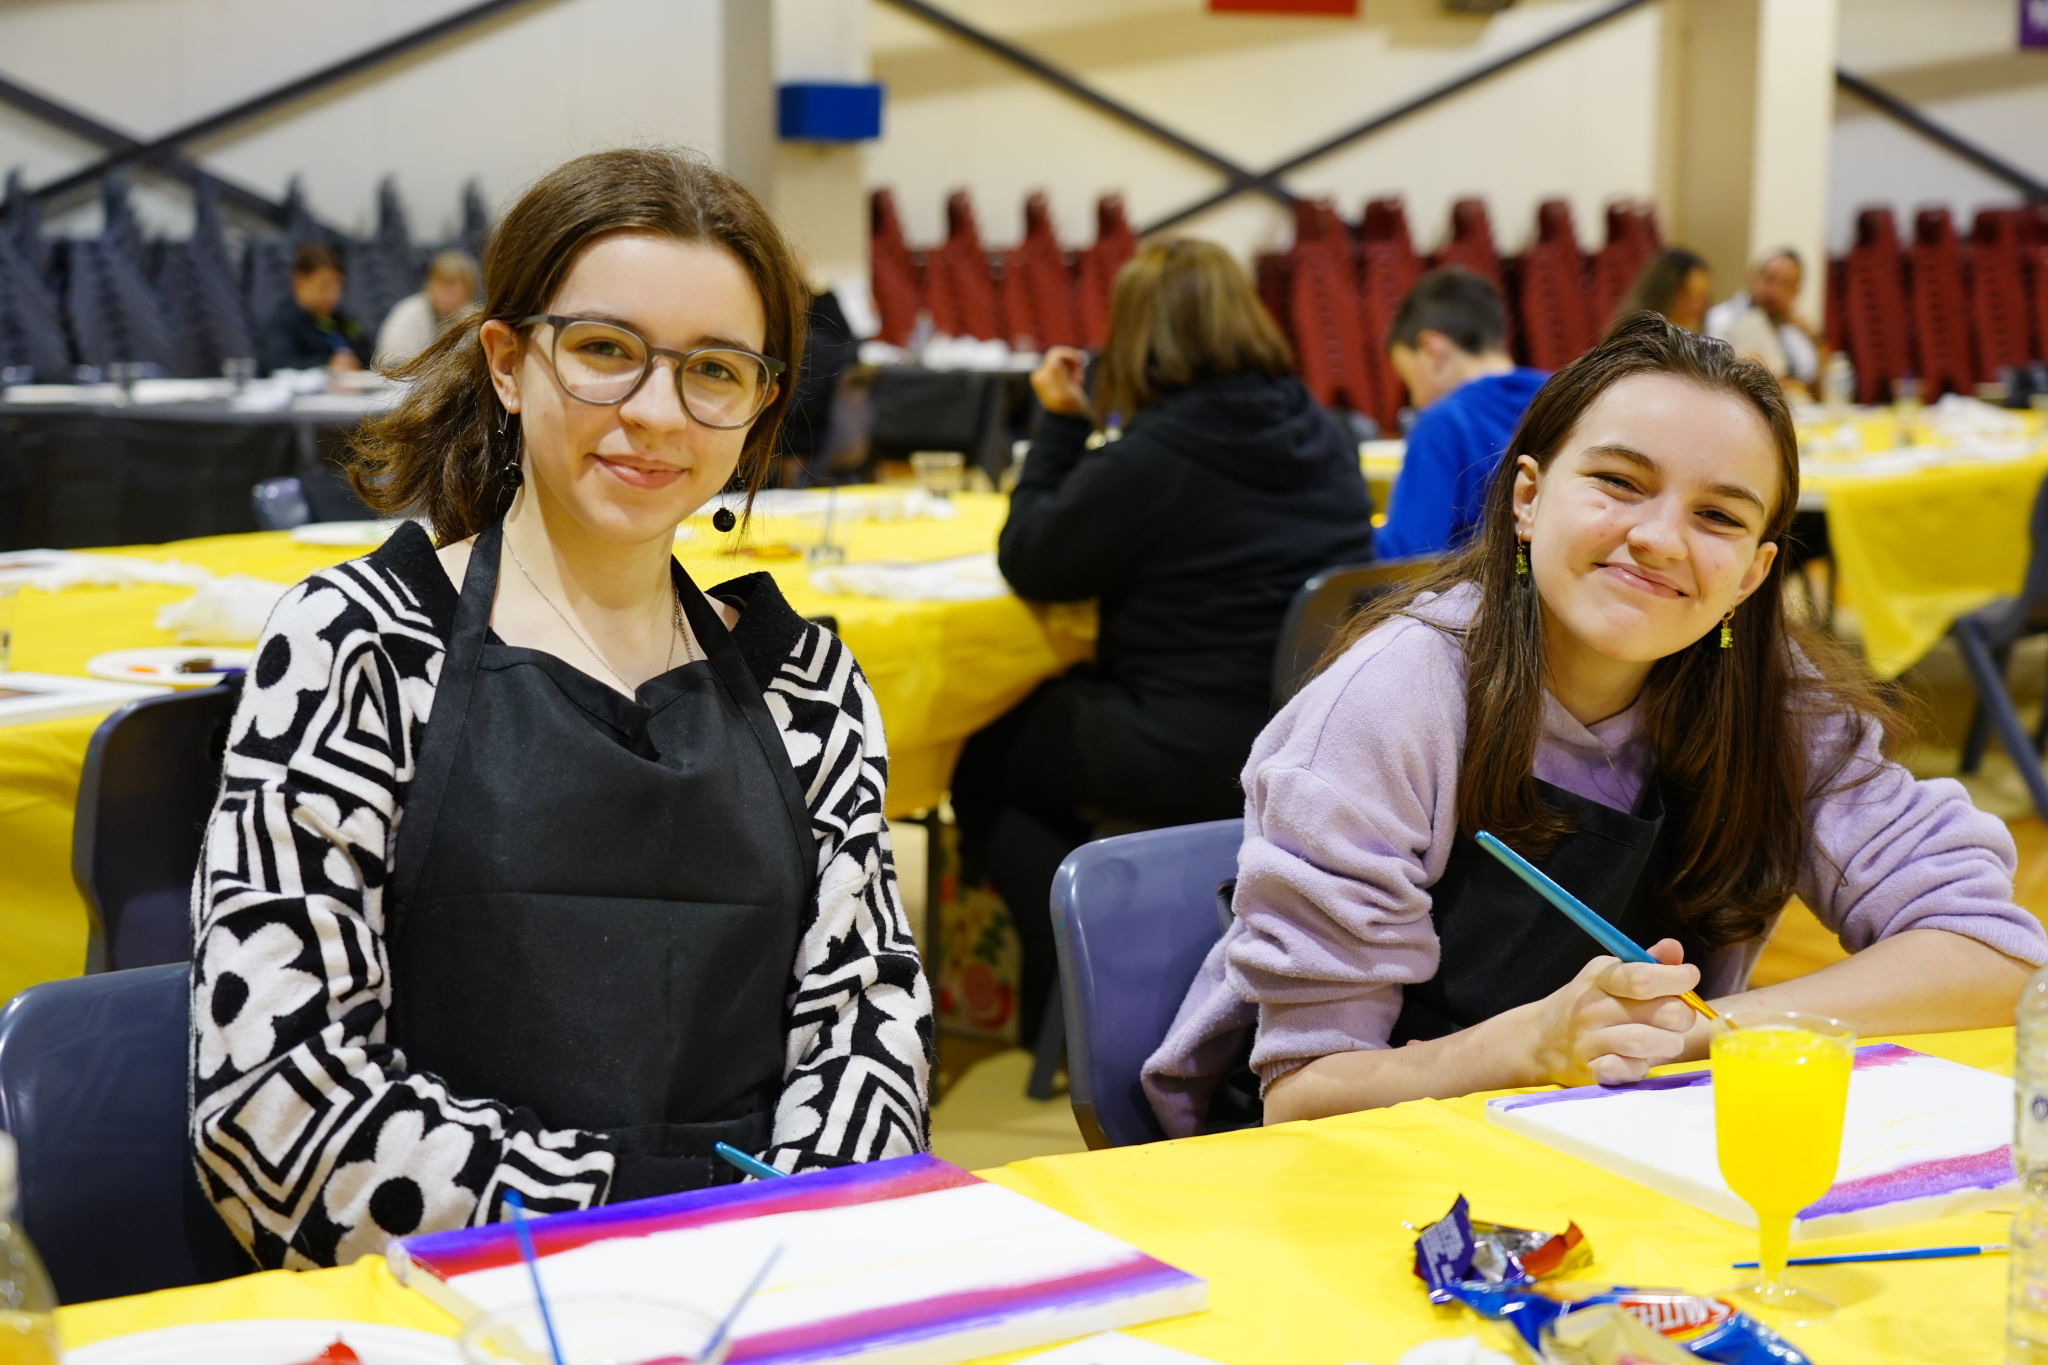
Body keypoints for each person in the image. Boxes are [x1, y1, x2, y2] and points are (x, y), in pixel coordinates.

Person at [190, 148, 931, 1269]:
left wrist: (779, 1247)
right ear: (507, 362)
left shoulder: (807, 688)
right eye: (604, 351)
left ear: (760, 403)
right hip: (457, 1307)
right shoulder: (358, 649)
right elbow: (274, 1109)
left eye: (714, 370)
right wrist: (639, 1224)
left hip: (764, 1292)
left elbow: (869, 1035)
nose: (657, 412)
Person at [1143, 315, 2044, 1136]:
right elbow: (1304, 1095)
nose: (1660, 537)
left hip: (1622, 1152)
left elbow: (1994, 955)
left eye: (1718, 516)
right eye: (1619, 482)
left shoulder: (1773, 702)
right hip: (1372, 1165)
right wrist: (1532, 1047)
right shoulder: (1392, 701)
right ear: (1528, 497)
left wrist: (1701, 1033)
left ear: (1753, 572)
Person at [952, 237, 1374, 1055]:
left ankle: (1076, 983)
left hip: (1183, 742)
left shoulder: (1153, 458)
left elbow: (1032, 559)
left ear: (1136, 336)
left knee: (987, 753)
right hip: (1303, 736)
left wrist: (1060, 423)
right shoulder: (1324, 433)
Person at [1373, 269, 1548, 560]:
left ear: (1431, 350)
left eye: (1408, 380)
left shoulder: (1443, 423)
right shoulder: (1565, 397)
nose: (1414, 400)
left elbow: (1408, 558)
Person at [1706, 249, 1820, 395]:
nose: (1775, 292)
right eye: (1769, 279)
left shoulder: (1792, 331)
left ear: (1796, 292)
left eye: (1786, 284)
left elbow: (1812, 381)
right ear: (1752, 278)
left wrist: (1816, 341)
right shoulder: (1722, 321)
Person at [258, 240, 372, 375]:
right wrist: (327, 364)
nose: (332, 295)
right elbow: (280, 365)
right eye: (324, 286)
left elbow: (368, 356)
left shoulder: (341, 321)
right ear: (299, 280)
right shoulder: (280, 324)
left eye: (338, 286)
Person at [374, 250, 480, 368]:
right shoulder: (408, 312)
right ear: (431, 285)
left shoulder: (471, 316)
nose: (451, 295)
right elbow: (390, 361)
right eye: (445, 287)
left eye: (458, 290)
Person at [1614, 247, 1711, 333]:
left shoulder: (1706, 336)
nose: (1698, 307)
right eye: (1687, 296)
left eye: (1702, 297)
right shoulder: (1636, 338)